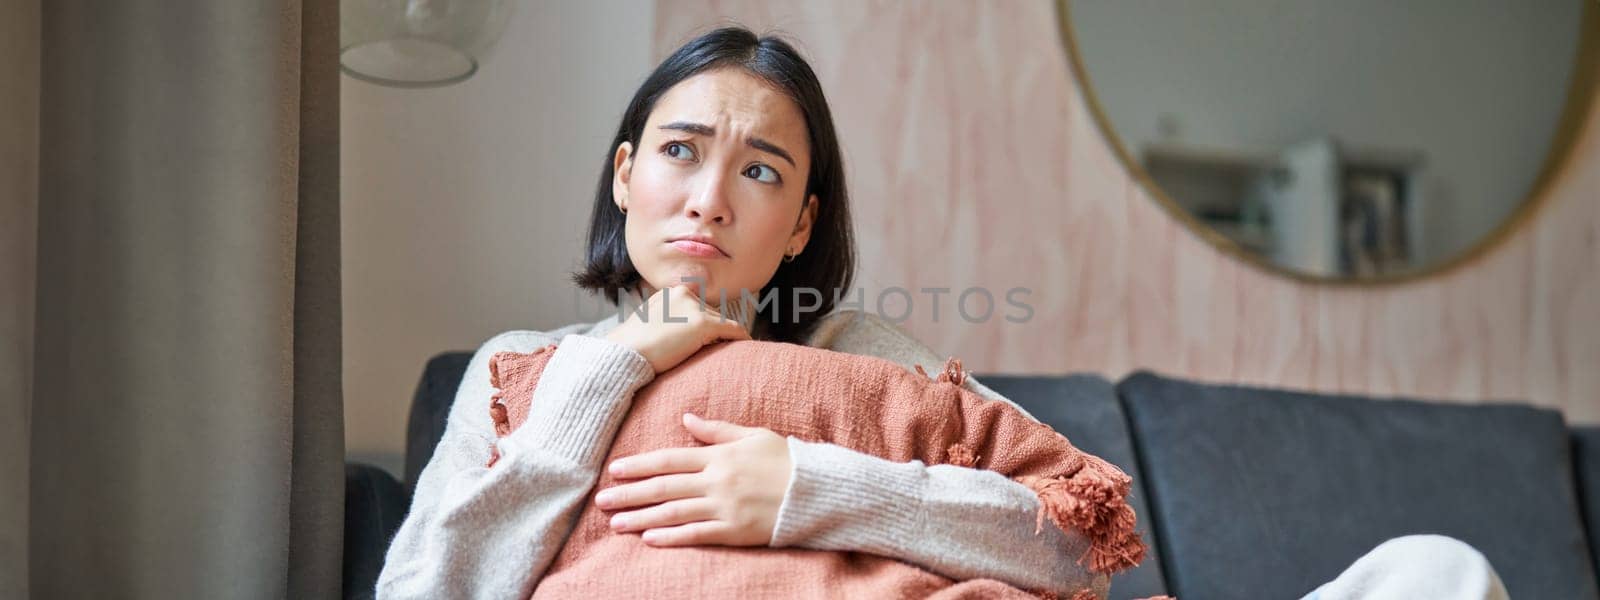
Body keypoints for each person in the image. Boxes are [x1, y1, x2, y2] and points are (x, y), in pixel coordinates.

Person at [375, 26, 1507, 600]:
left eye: (762, 172)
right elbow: (423, 590)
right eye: (679, 152)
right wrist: (618, 363)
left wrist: (804, 493)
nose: (710, 197)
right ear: (625, 175)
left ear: (804, 221)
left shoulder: (867, 364)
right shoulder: (519, 369)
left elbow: (1075, 551)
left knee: (1437, 571)